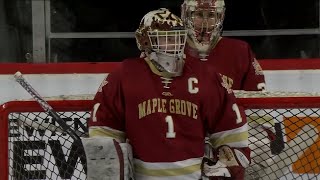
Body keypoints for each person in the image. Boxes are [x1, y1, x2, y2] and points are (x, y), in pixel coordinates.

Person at [85, 8, 250, 180]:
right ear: (145, 41)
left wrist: (227, 163)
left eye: (177, 39)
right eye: (166, 39)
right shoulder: (124, 75)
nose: (174, 46)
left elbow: (231, 129)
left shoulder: (205, 75)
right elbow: (104, 133)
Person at [180, 0, 275, 179]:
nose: (206, 22)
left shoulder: (239, 50)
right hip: (185, 132)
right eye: (199, 15)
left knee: (258, 146)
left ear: (220, 17)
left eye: (211, 15)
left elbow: (258, 110)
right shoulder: (170, 51)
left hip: (229, 134)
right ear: (187, 15)